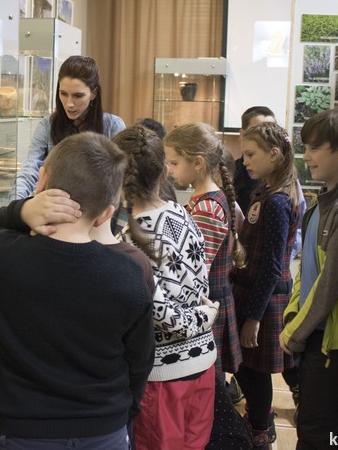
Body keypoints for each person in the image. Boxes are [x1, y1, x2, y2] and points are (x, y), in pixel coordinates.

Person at [0, 132, 154, 449]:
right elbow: (140, 361)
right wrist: (123, 414)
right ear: (106, 214)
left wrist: (22, 210)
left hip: (20, 431)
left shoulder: (0, 255)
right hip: (104, 430)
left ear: (41, 181)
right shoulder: (129, 274)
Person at [113, 125, 219, 450]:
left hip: (165, 376)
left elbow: (162, 316)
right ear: (163, 171)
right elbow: (198, 284)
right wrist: (205, 315)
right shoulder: (182, 214)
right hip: (202, 364)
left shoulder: (130, 241)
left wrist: (205, 316)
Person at [278, 108, 338, 449]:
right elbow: (307, 270)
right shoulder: (321, 203)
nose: (306, 156)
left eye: (315, 147)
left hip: (337, 343)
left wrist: (295, 331)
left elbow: (330, 284)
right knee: (311, 427)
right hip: (316, 336)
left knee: (321, 433)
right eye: (306, 147)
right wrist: (293, 318)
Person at [164, 123, 253, 449]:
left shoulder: (208, 207)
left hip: (207, 306)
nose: (170, 169)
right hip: (205, 305)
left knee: (207, 391)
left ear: (198, 163)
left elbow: (195, 269)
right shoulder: (204, 200)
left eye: (175, 162)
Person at [233, 122, 302, 449]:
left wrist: (253, 317)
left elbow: (273, 265)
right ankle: (261, 419)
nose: (245, 161)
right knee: (245, 366)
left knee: (253, 369)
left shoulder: (277, 201)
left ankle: (261, 428)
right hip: (251, 291)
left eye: (251, 154)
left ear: (274, 154)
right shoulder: (266, 191)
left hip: (263, 298)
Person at [14, 55, 125, 199]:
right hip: (56, 205)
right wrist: (16, 204)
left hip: (96, 207)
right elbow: (30, 169)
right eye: (63, 94)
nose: (69, 104)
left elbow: (121, 178)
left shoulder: (113, 126)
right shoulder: (47, 126)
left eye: (78, 96)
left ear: (93, 93)